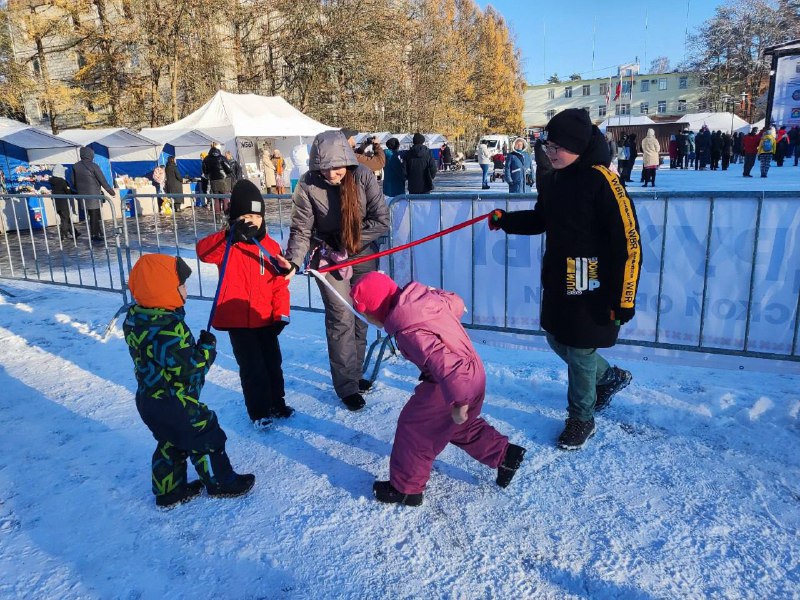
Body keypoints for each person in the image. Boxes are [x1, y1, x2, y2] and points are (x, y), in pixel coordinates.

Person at [488, 108, 641, 450]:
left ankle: (581, 418)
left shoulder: (603, 180)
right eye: (547, 146)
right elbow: (542, 219)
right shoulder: (554, 179)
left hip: (594, 280)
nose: (550, 153)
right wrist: (506, 220)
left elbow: (629, 242)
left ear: (580, 146)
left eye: (558, 147)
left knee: (581, 350)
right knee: (558, 340)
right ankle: (609, 376)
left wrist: (624, 298)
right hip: (560, 276)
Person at [350, 272, 526, 506]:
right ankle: (504, 454)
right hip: (472, 374)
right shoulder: (423, 302)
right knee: (455, 427)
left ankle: (406, 489)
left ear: (375, 311)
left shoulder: (409, 329)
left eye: (368, 318)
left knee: (415, 430)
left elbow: (444, 361)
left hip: (451, 383)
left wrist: (459, 400)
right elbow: (456, 302)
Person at [123, 253, 255, 508]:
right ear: (162, 290)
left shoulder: (139, 320)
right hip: (174, 401)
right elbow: (189, 370)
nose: (186, 290)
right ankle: (221, 482)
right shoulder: (167, 329)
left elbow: (165, 358)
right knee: (205, 431)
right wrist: (206, 349)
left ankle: (169, 491)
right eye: (181, 285)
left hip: (150, 399)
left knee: (171, 441)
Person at [276, 130, 389, 411]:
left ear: (347, 161)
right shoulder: (308, 184)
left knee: (362, 314)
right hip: (329, 259)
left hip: (362, 256)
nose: (331, 173)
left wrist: (350, 239)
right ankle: (346, 385)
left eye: (336, 167)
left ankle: (356, 372)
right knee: (341, 318)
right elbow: (301, 229)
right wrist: (293, 260)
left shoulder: (362, 176)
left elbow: (382, 220)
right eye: (324, 167)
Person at [197, 180, 292, 429]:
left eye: (255, 215)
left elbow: (279, 284)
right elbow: (203, 252)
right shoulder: (227, 244)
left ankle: (276, 403)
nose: (252, 221)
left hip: (265, 317)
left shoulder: (270, 247)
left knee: (273, 363)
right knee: (252, 368)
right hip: (238, 319)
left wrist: (281, 314)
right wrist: (228, 235)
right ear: (234, 218)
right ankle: (258, 411)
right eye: (245, 216)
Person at [71, 146, 115, 243]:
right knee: (95, 215)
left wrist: (79, 190)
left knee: (92, 214)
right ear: (90, 154)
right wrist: (111, 192)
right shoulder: (94, 166)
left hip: (82, 195)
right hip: (94, 194)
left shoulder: (75, 166)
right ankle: (94, 234)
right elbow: (102, 180)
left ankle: (98, 232)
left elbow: (73, 181)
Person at [49, 164, 79, 242]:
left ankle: (75, 233)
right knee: (65, 219)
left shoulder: (52, 181)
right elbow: (68, 191)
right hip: (63, 203)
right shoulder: (62, 181)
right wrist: (76, 193)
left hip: (56, 203)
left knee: (65, 218)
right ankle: (63, 235)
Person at [203, 144, 232, 215]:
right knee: (225, 198)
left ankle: (217, 216)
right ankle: (226, 214)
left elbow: (205, 171)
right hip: (224, 180)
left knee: (216, 199)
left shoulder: (206, 159)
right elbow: (229, 169)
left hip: (213, 180)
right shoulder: (222, 158)